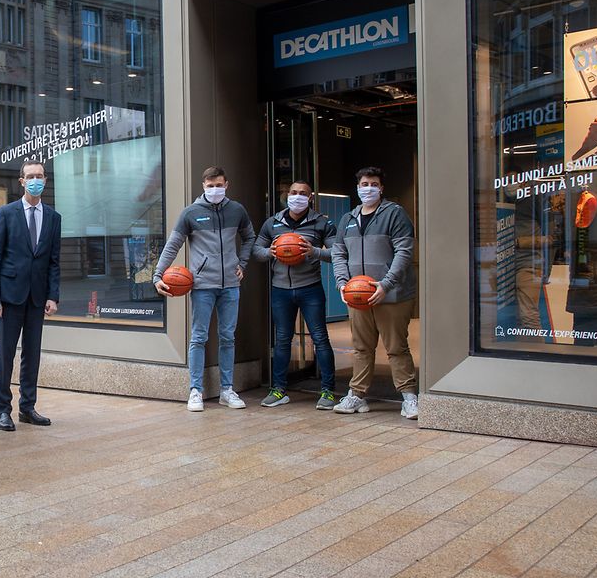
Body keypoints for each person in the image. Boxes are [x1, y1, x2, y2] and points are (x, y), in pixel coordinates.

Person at [154, 166, 255, 412]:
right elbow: (173, 244)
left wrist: (242, 263)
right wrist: (158, 274)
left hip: (230, 285)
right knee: (198, 337)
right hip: (202, 286)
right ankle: (195, 391)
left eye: (219, 185)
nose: (215, 190)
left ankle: (227, 390)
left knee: (227, 337)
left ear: (226, 184)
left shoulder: (237, 210)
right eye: (210, 186)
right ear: (203, 186)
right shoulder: (191, 213)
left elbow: (250, 237)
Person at [331, 167, 419, 418]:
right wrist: (342, 283)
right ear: (357, 187)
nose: (367, 188)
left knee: (396, 348)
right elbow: (339, 252)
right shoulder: (348, 218)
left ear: (381, 188)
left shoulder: (395, 214)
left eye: (373, 183)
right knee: (361, 348)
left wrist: (386, 284)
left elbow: (404, 252)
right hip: (357, 296)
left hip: (391, 295)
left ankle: (409, 397)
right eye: (364, 183)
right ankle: (357, 395)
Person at [251, 180, 338, 410]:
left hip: (311, 288)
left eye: (302, 193)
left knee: (320, 338)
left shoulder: (321, 223)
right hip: (280, 289)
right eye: (293, 192)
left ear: (310, 198)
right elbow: (256, 251)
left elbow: (337, 252)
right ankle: (279, 389)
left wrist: (314, 251)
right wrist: (270, 252)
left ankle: (328, 392)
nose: (297, 196)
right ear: (286, 194)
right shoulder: (272, 223)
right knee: (282, 340)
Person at [0, 160, 61, 430]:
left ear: (45, 180)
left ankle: (27, 407)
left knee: (32, 354)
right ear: (21, 181)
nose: (36, 180)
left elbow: (54, 261)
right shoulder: (7, 213)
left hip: (37, 297)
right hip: (9, 297)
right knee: (5, 355)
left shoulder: (54, 217)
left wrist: (52, 296)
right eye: (30, 176)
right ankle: (3, 410)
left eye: (40, 176)